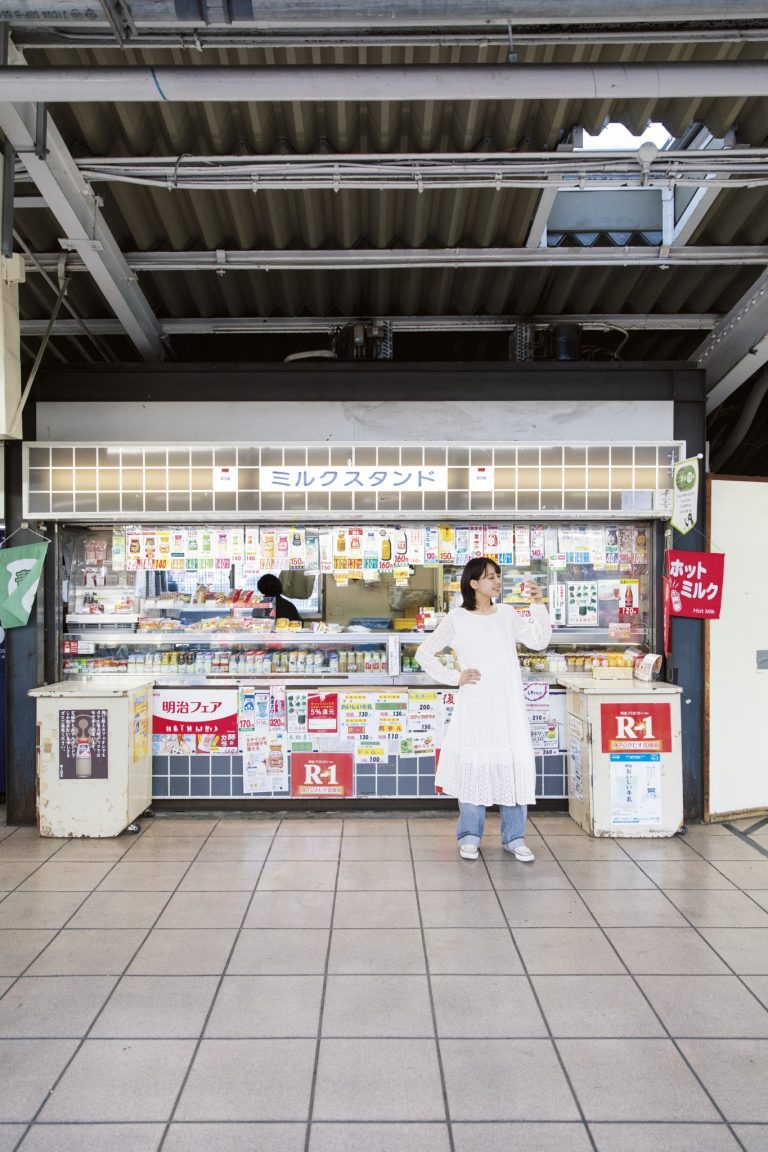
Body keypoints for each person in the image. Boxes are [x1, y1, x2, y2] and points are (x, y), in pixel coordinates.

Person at [415, 556, 552, 861]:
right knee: (473, 767)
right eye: (489, 577)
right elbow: (424, 653)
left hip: (508, 702)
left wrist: (538, 605)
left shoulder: (506, 613)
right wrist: (456, 677)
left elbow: (539, 641)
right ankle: (469, 835)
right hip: (476, 703)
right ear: (473, 583)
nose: (497, 581)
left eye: (498, 575)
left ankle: (514, 837)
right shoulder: (457, 618)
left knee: (512, 764)